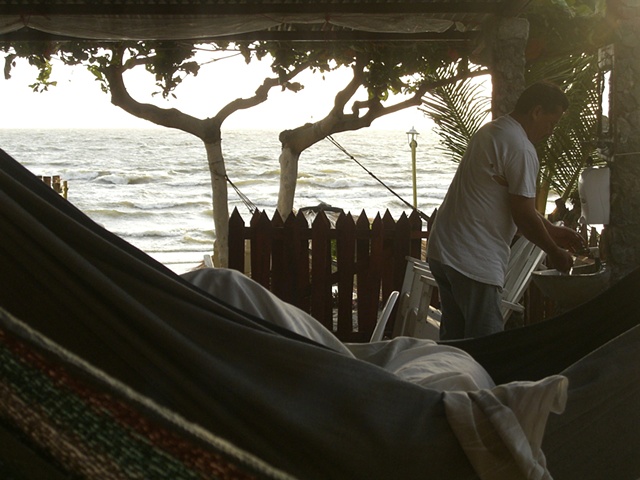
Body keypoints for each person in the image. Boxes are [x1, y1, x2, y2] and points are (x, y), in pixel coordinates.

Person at [427, 82, 585, 340]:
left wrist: (553, 231)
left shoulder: (492, 131)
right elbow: (522, 216)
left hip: (444, 251)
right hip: (473, 259)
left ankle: (451, 380)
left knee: (455, 343)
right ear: (536, 111)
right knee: (487, 346)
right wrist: (554, 251)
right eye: (551, 123)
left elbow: (519, 207)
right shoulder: (521, 148)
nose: (550, 131)